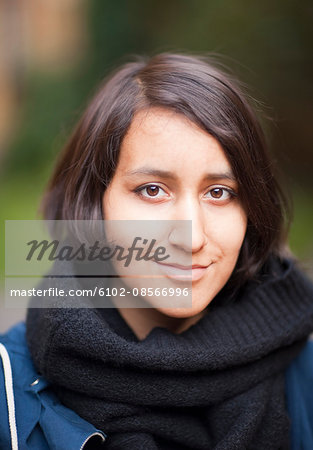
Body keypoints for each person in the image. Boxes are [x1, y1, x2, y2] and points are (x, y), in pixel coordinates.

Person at [1, 52, 313, 449]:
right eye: (152, 190)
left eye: (219, 193)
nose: (190, 237)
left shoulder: (305, 376)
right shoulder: (8, 389)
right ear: (95, 204)